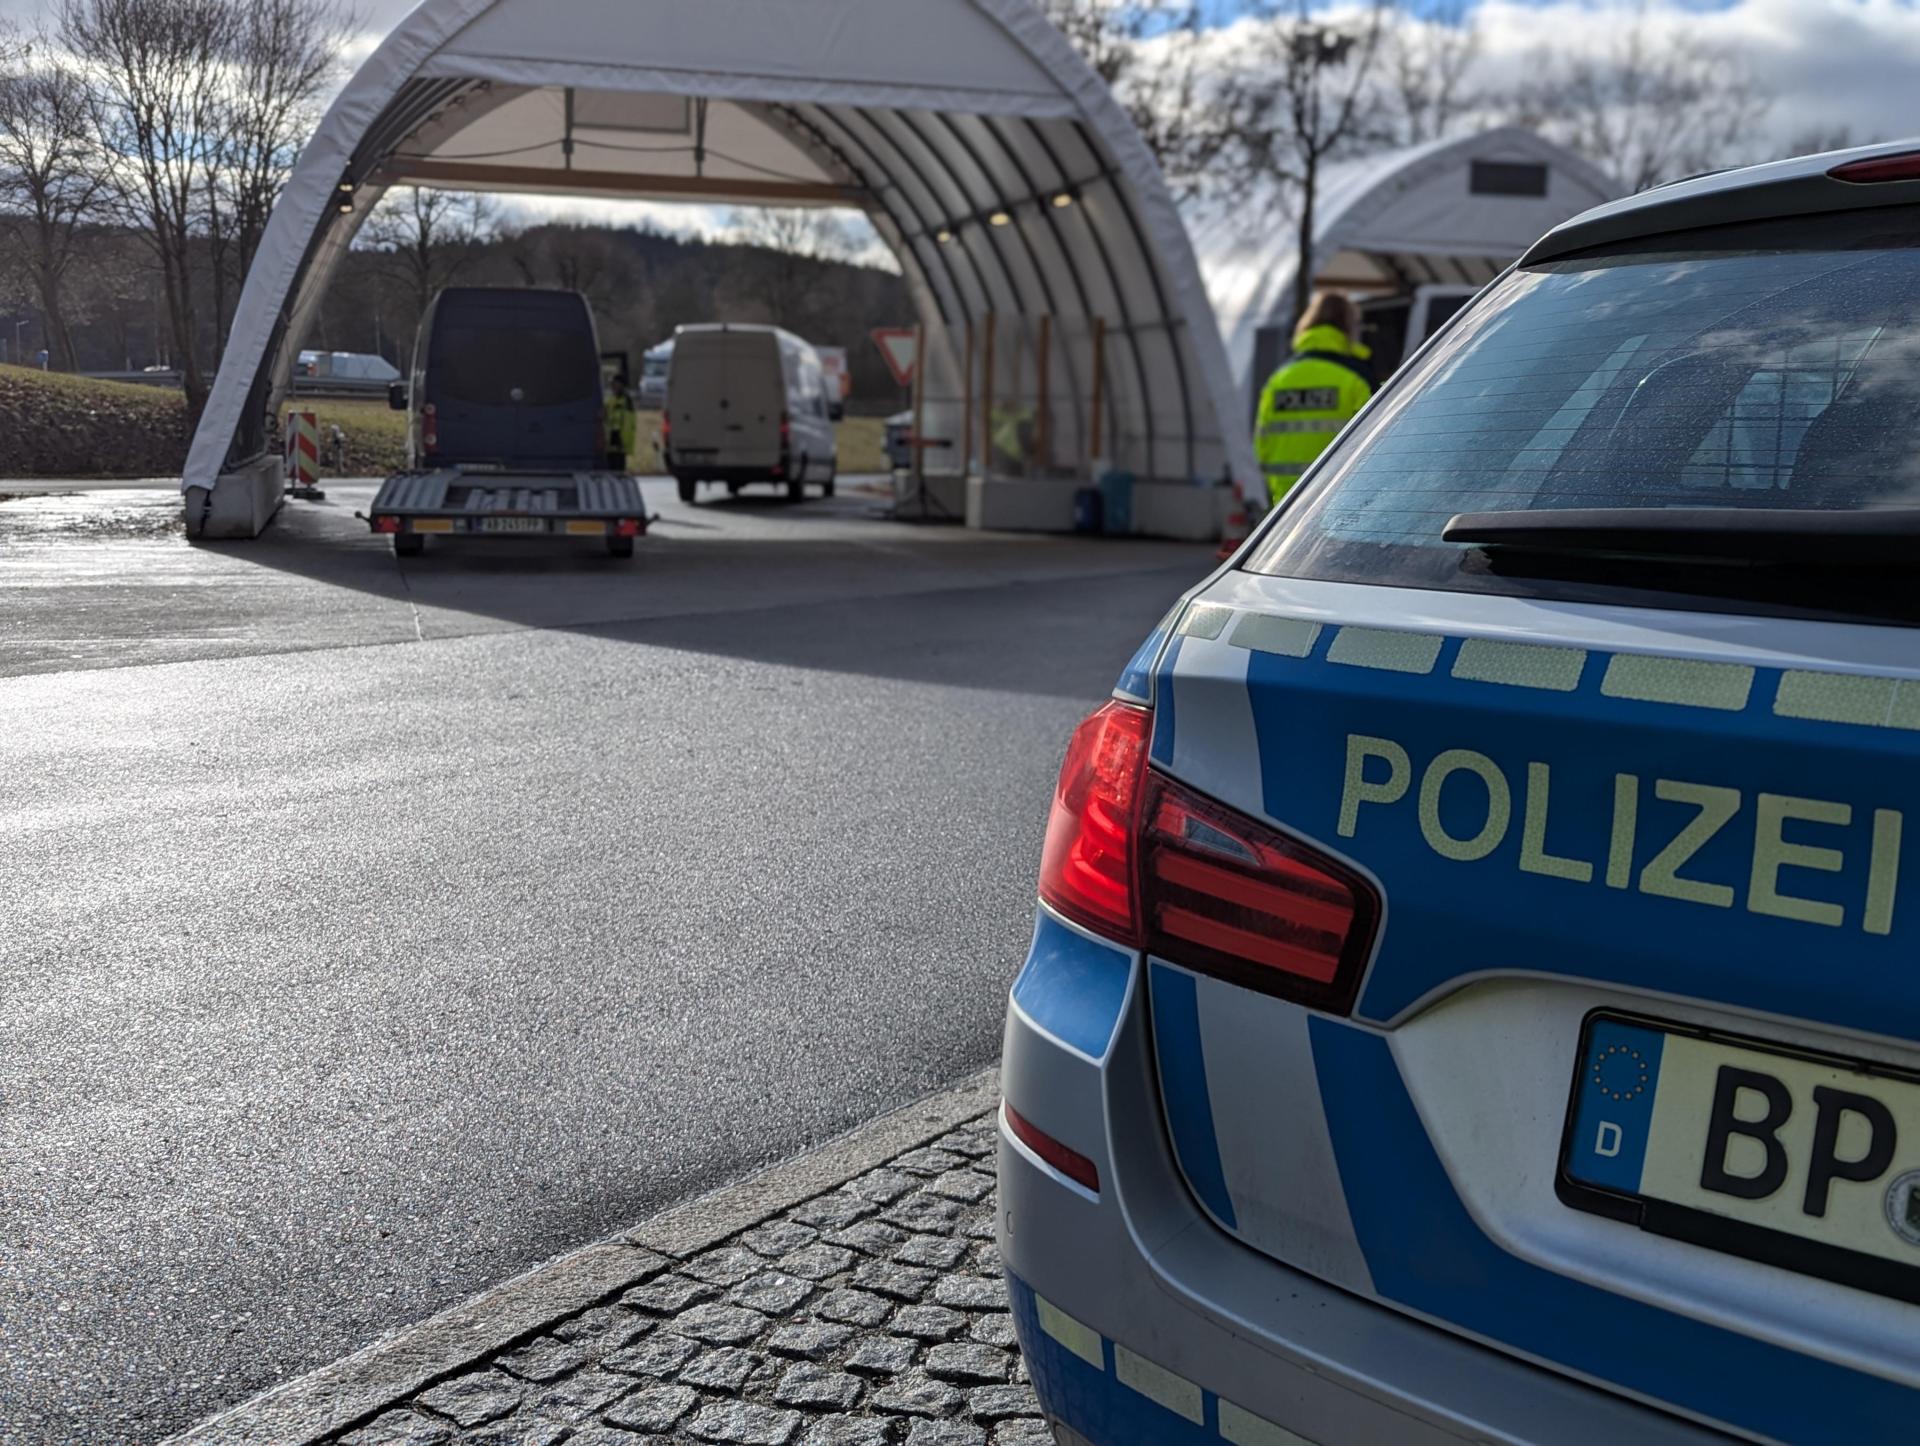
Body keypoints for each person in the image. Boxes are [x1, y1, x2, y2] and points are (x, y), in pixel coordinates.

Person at [1254, 291, 1373, 507]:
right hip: (1337, 502)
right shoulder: (1356, 378)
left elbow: (1262, 445)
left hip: (1283, 507)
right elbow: (1374, 444)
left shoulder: (1279, 379)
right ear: (1349, 327)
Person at [605, 373, 637, 471]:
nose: (613, 386)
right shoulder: (611, 400)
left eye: (615, 383)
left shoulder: (626, 401)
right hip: (610, 442)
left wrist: (623, 441)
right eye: (612, 384)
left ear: (621, 385)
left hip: (620, 443)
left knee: (618, 471)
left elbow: (628, 423)